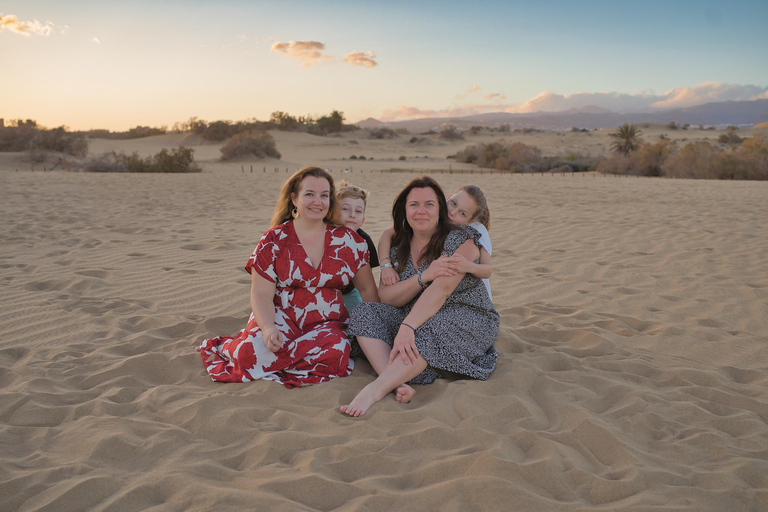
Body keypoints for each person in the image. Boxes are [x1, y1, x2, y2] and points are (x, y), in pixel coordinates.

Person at [198, 166, 378, 388]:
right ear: (294, 198)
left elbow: (368, 289)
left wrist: (377, 328)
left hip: (326, 323)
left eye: (324, 195)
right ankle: (252, 350)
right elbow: (260, 293)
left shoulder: (350, 242)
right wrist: (267, 328)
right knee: (248, 355)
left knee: (336, 354)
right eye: (309, 194)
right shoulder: (274, 239)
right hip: (280, 316)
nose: (317, 201)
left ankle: (280, 363)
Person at [341, 176, 499, 416]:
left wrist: (407, 327)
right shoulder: (397, 244)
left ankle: (375, 389)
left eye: (429, 204)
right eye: (414, 205)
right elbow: (387, 297)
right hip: (414, 316)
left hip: (465, 315)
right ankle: (398, 381)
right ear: (404, 209)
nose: (421, 211)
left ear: (439, 209)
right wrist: (421, 277)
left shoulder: (462, 239)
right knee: (364, 311)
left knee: (431, 327)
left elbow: (441, 290)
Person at [379, 184, 493, 300]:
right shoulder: (432, 216)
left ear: (470, 221)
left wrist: (469, 266)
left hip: (469, 298)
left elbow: (487, 269)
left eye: (462, 213)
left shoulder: (476, 230)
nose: (453, 212)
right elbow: (386, 235)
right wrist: (386, 266)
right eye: (453, 203)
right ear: (449, 197)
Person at [336, 181, 380, 313]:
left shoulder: (364, 241)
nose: (352, 214)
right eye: (345, 209)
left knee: (358, 318)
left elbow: (367, 287)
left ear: (363, 220)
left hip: (349, 292)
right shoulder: (324, 234)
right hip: (323, 292)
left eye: (358, 211)